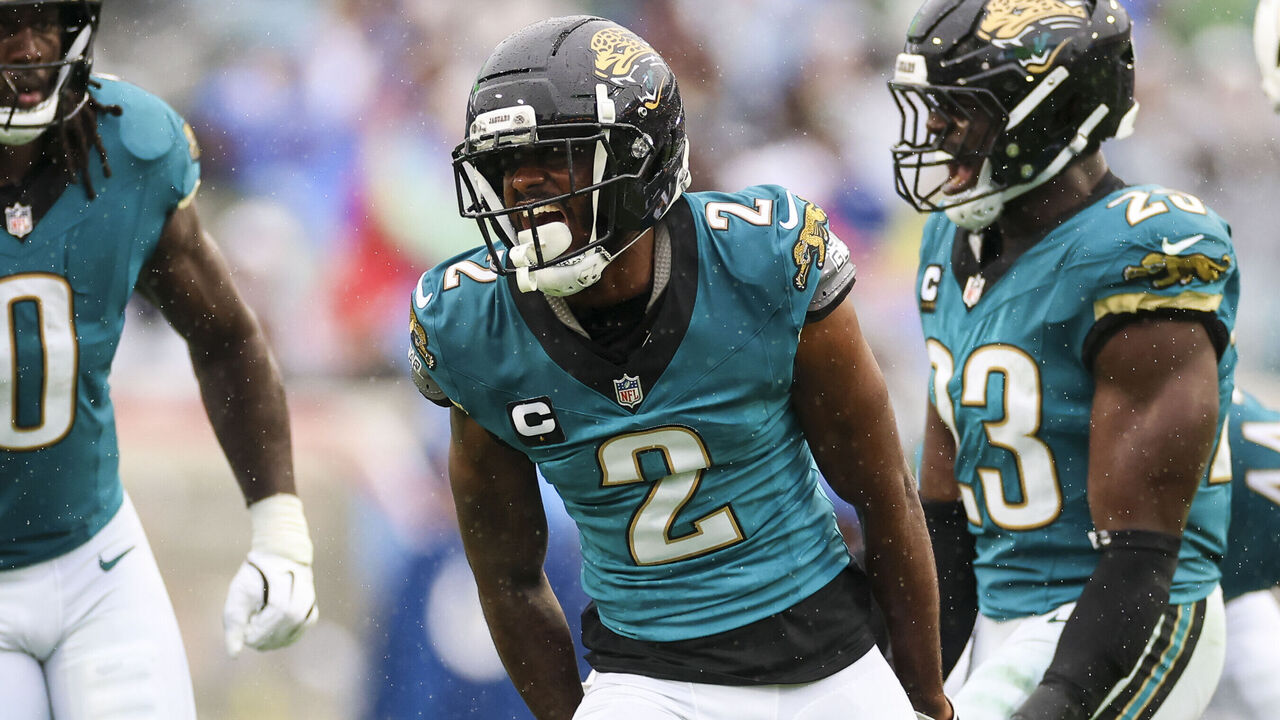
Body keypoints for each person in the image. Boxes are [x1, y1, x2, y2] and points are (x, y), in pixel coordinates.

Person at [409, 15, 952, 720]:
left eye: (556, 158)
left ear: (641, 163)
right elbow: (508, 577)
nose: (521, 187)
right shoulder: (471, 325)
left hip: (829, 660)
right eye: (506, 166)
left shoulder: (762, 260)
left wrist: (927, 697)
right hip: (645, 680)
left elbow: (884, 494)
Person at [888, 1, 1238, 719]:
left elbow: (1141, 552)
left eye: (964, 107)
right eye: (935, 104)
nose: (937, 128)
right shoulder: (949, 242)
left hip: (1127, 614)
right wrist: (906, 683)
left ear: (1051, 112)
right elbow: (945, 515)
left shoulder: (1143, 253)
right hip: (1003, 615)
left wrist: (1062, 699)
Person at [0, 2, 317, 718]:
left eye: (46, 20)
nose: (29, 48)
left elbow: (226, 338)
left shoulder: (129, 148)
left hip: (95, 562)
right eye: (4, 24)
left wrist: (280, 531)